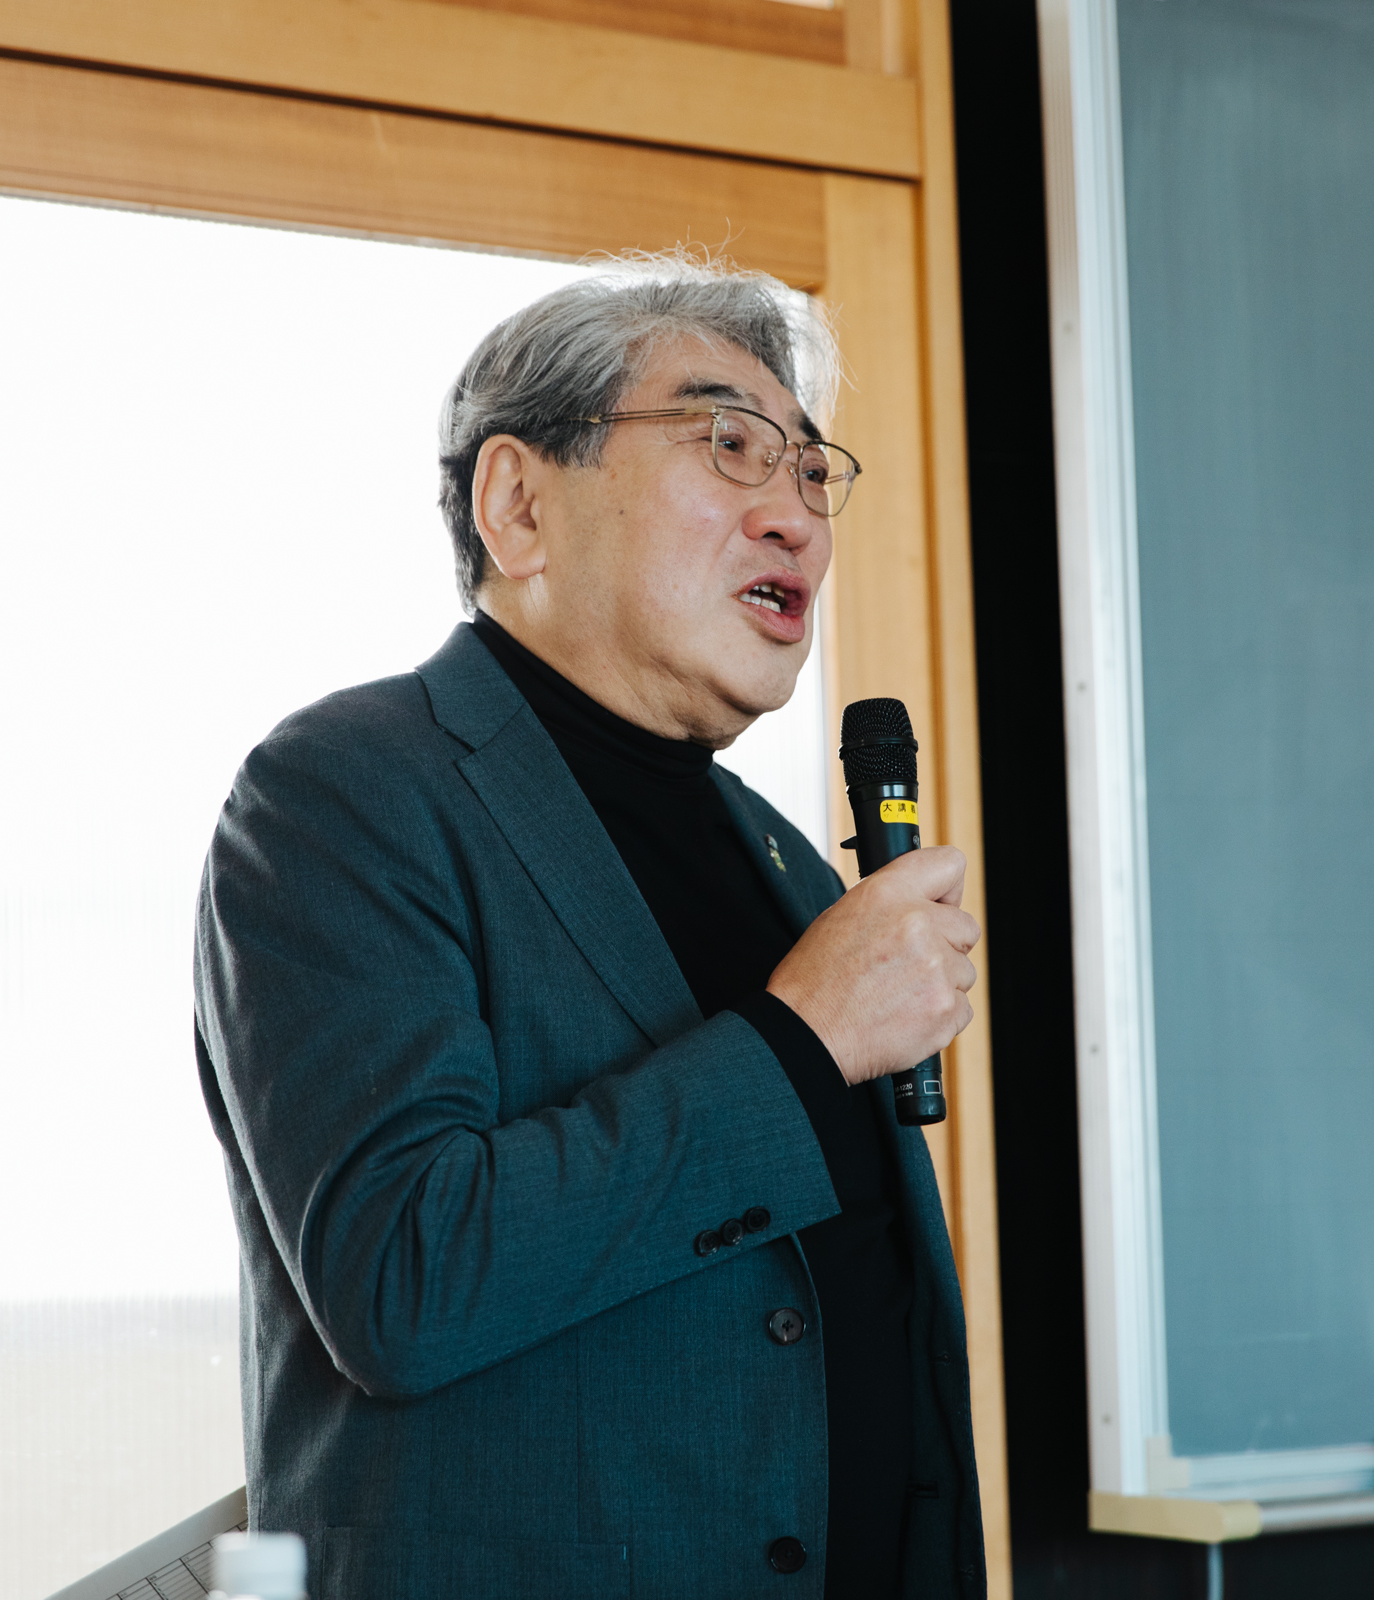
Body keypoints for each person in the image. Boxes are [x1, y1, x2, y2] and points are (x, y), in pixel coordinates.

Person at [193, 259, 986, 1599]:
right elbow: (403, 1278)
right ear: (518, 504)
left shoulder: (789, 863)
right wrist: (801, 1042)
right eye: (729, 444)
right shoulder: (348, 791)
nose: (795, 518)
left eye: (810, 472)